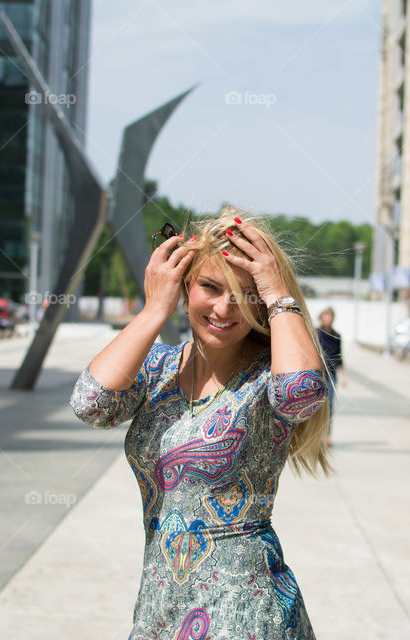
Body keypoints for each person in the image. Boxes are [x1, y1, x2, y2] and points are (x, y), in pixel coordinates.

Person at [71, 205, 331, 639]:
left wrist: (277, 291)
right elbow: (91, 404)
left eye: (247, 294)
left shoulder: (268, 376)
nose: (225, 308)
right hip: (161, 604)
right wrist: (156, 309)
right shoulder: (158, 369)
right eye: (210, 287)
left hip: (245, 609)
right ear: (186, 285)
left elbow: (302, 394)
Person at [316, 307, 345, 447]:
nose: (328, 318)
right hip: (317, 374)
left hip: (331, 374)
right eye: (326, 315)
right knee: (316, 406)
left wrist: (343, 376)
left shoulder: (337, 335)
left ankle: (327, 435)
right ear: (322, 317)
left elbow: (340, 357)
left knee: (330, 406)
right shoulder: (315, 333)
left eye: (330, 316)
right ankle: (315, 436)